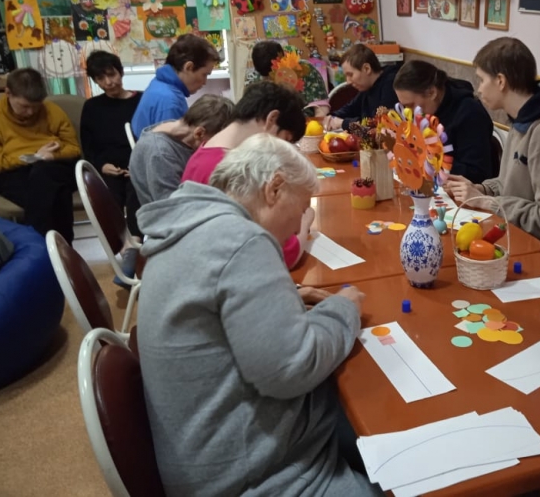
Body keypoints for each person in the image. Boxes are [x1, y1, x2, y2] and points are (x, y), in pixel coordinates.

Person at [136, 134, 377, 497]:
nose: (297, 227)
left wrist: (283, 299)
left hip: (205, 458)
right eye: (301, 209)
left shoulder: (194, 221)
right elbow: (293, 367)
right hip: (257, 477)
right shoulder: (241, 240)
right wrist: (344, 309)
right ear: (274, 188)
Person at [445, 37, 540, 264]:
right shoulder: (523, 121)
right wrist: (480, 190)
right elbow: (511, 185)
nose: (478, 89)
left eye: (482, 80)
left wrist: (488, 203)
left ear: (500, 81)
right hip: (518, 239)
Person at [181, 81, 311, 270]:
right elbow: (278, 253)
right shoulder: (231, 171)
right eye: (285, 140)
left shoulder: (207, 151)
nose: (282, 151)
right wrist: (305, 222)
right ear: (272, 119)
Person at [0, 68, 80, 243]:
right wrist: (32, 156)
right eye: (25, 106)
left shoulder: (52, 111)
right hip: (14, 172)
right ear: (8, 93)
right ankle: (64, 247)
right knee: (56, 194)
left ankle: (36, 245)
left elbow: (73, 148)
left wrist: (53, 156)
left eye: (36, 106)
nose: (30, 112)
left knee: (43, 173)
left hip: (56, 166)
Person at [81, 51, 143, 281]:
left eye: (111, 74)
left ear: (121, 72)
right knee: (108, 197)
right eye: (101, 78)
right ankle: (124, 248)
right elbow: (88, 147)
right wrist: (102, 165)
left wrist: (138, 164)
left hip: (137, 165)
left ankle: (133, 245)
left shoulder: (141, 100)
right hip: (108, 169)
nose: (108, 82)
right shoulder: (91, 107)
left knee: (137, 191)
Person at [392, 59, 493, 184]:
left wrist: (430, 159)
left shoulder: (470, 114)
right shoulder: (428, 110)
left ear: (432, 93)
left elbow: (476, 174)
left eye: (411, 105)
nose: (408, 112)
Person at [130, 94, 233, 206]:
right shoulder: (160, 154)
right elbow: (173, 206)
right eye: (215, 140)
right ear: (199, 133)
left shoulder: (177, 130)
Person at [130, 34, 219, 137]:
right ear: (188, 67)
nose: (204, 82)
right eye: (204, 74)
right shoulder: (169, 102)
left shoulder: (159, 83)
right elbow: (171, 146)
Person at [323, 44, 399, 131]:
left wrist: (343, 123)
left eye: (350, 75)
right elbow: (350, 108)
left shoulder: (391, 85)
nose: (348, 81)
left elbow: (378, 125)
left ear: (367, 69)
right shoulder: (366, 86)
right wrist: (331, 117)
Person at [246, 41, 330, 117]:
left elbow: (321, 108)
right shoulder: (253, 80)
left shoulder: (304, 69)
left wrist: (316, 124)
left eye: (274, 73)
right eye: (266, 77)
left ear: (283, 58)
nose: (270, 79)